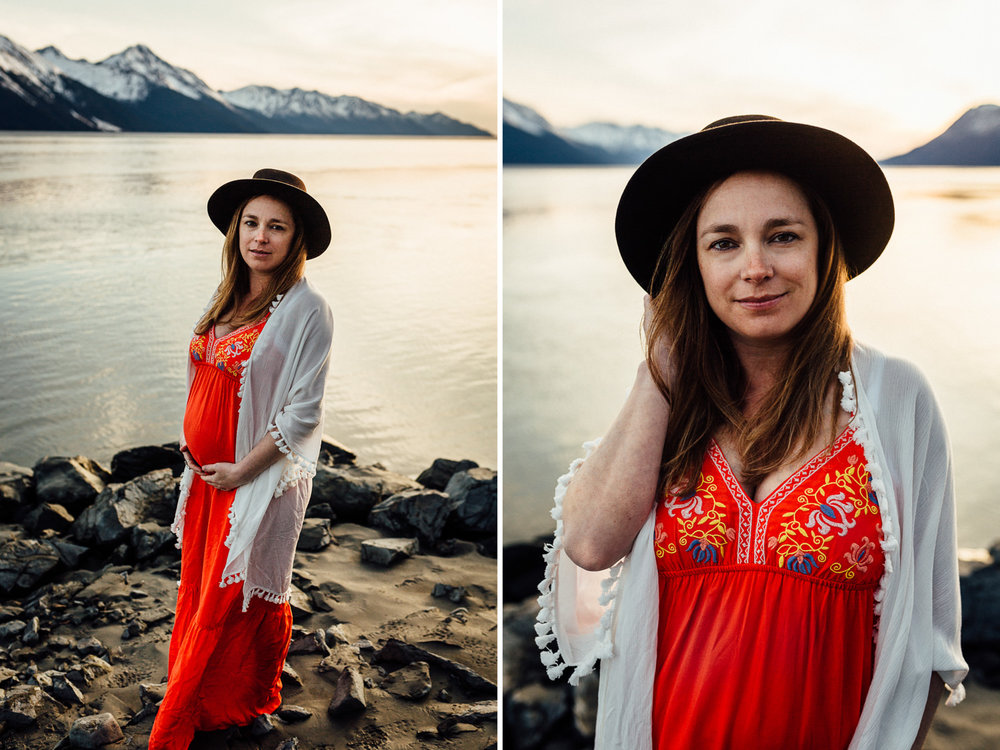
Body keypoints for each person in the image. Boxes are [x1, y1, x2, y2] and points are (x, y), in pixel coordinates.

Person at [535, 116, 968, 750]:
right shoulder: (668, 407)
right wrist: (662, 361)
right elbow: (592, 543)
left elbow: (930, 642)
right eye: (723, 243)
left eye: (783, 236)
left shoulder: (897, 400)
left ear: (825, 250)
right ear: (693, 267)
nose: (756, 267)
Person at [149, 169, 334, 748]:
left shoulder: (309, 311)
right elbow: (204, 371)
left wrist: (241, 470)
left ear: (295, 239)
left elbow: (303, 413)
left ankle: (231, 700)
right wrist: (190, 441)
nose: (261, 236)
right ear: (235, 230)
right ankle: (199, 690)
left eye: (276, 227)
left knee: (240, 592)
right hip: (206, 476)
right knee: (203, 589)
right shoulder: (227, 292)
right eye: (251, 223)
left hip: (254, 478)